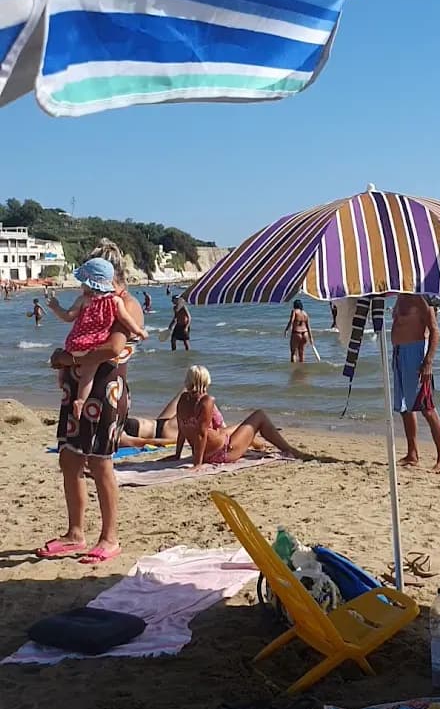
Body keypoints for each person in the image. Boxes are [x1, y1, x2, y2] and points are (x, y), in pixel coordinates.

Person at [37, 240, 144, 564]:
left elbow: (113, 349)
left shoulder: (125, 305)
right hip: (78, 391)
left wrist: (68, 358)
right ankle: (75, 532)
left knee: (100, 462)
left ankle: (109, 538)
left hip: (105, 391)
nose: (88, 288)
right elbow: (79, 330)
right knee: (69, 459)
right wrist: (68, 363)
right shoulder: (93, 301)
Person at [47, 259, 147, 417]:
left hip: (76, 344)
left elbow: (68, 316)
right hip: (93, 346)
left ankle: (61, 377)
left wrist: (55, 307)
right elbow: (126, 320)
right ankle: (80, 400)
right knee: (88, 373)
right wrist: (139, 331)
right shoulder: (116, 301)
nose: (81, 287)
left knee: (65, 357)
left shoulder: (83, 300)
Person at [174, 365, 305, 467]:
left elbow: (182, 430)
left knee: (242, 426)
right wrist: (198, 464)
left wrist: (177, 455)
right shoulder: (207, 401)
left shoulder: (183, 400)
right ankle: (290, 449)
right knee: (259, 415)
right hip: (221, 453)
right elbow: (202, 434)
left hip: (204, 451)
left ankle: (259, 445)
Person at [391, 294, 440, 473]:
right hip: (398, 352)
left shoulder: (422, 299)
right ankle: (412, 453)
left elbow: (434, 330)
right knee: (405, 407)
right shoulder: (400, 295)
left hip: (416, 353)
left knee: (426, 407)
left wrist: (428, 361)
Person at [285, 298, 314, 363]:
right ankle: (301, 368)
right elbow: (308, 326)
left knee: (293, 352)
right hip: (305, 334)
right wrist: (311, 338)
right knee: (302, 353)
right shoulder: (305, 313)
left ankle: (294, 369)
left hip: (296, 333)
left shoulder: (294, 311)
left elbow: (291, 321)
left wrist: (287, 329)